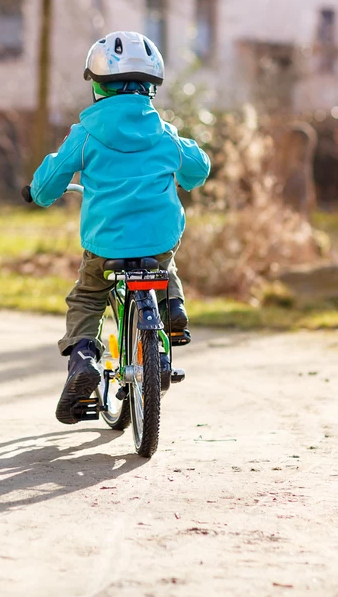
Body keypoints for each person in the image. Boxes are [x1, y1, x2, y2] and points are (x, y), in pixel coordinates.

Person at [25, 31, 211, 425]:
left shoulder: (86, 133)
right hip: (159, 238)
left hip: (106, 243)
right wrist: (186, 177)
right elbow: (199, 168)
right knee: (164, 263)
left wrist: (38, 194)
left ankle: (83, 358)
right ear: (151, 88)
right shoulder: (164, 133)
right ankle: (172, 308)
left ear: (95, 84)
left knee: (89, 297)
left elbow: (50, 178)